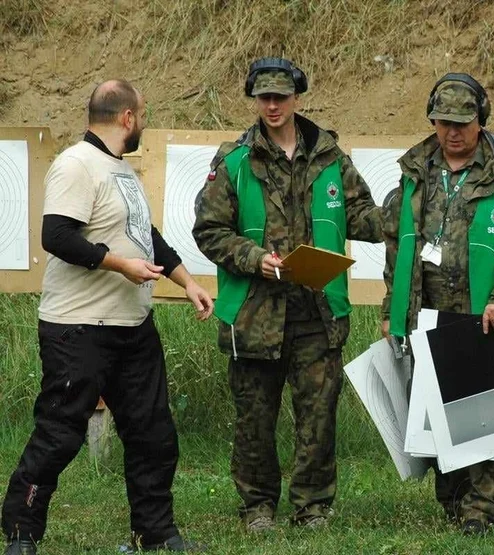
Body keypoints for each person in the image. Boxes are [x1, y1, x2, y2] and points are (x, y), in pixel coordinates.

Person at [1, 80, 213, 555]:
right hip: (77, 328)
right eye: (144, 114)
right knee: (59, 436)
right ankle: (21, 534)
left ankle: (155, 533)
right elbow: (55, 235)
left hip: (132, 327)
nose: (144, 122)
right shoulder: (76, 164)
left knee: (153, 433)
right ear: (127, 118)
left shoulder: (121, 171)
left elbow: (146, 236)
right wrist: (119, 264)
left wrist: (188, 282)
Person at [192, 57, 381, 532]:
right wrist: (255, 259)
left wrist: (404, 212)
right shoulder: (235, 161)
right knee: (255, 420)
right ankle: (257, 508)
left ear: (297, 98)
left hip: (317, 310)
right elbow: (209, 230)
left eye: (280, 97)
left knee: (318, 417)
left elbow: (359, 214)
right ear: (255, 99)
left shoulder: (332, 158)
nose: (272, 105)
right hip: (255, 313)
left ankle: (312, 508)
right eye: (264, 98)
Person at [381, 73, 494, 536]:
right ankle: (453, 503)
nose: (453, 132)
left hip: (487, 317)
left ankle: (483, 514)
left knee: (492, 419)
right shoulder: (415, 175)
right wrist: (391, 313)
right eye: (444, 122)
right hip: (427, 317)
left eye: (463, 123)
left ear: (481, 121)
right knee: (437, 417)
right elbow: (399, 249)